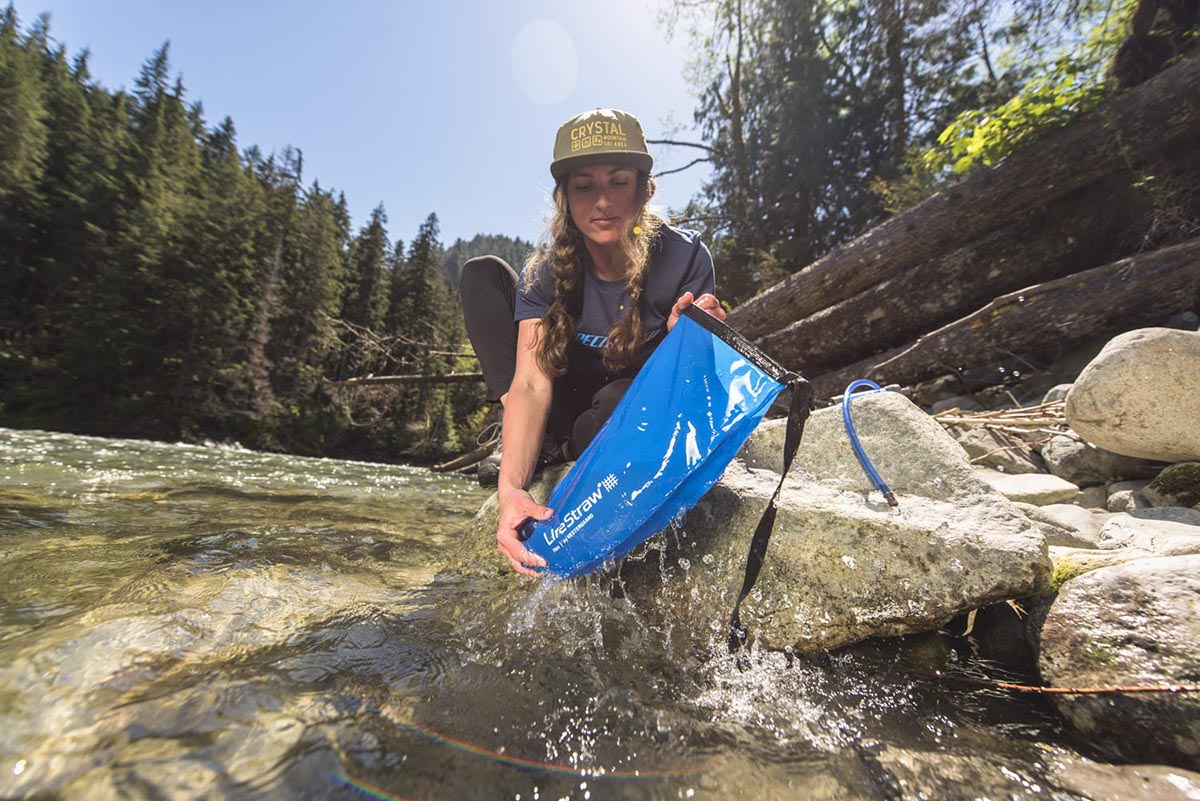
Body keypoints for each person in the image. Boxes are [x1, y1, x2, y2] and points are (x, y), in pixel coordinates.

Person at [458, 108, 726, 577]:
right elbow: (530, 385)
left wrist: (693, 340)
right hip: (560, 399)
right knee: (482, 275)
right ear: (565, 197)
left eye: (619, 181)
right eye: (585, 186)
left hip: (622, 410)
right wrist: (512, 491)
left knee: (623, 399)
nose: (602, 200)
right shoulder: (544, 271)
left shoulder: (686, 257)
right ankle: (527, 444)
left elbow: (685, 396)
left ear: (645, 188)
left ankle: (557, 452)